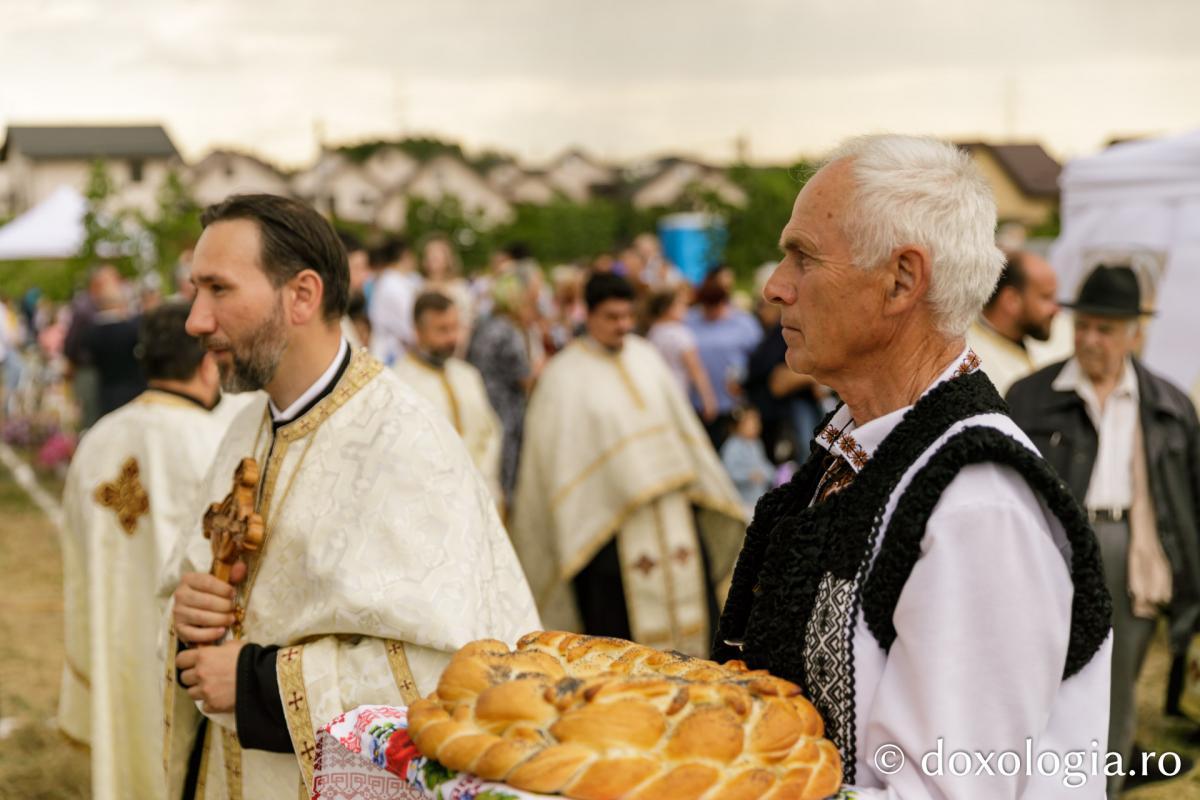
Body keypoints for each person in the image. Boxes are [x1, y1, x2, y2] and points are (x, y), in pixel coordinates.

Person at [711, 135, 1113, 797]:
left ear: (902, 280)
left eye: (803, 258)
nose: (777, 288)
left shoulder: (977, 506)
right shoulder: (861, 450)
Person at [165, 194, 539, 800]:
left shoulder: (403, 440)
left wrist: (260, 684)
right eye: (195, 291)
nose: (195, 321)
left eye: (219, 290)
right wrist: (188, 618)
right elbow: (207, 591)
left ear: (302, 295)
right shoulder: (246, 427)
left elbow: (457, 670)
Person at [1007, 263, 1200, 796]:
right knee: (1039, 681)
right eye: (1083, 325)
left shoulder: (1169, 405)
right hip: (1054, 548)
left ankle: (1103, 787)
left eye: (1105, 329)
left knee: (1116, 687)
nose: (1090, 339)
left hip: (1133, 552)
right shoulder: (1028, 396)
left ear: (1135, 333)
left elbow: (1188, 500)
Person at [510, 272, 745, 657]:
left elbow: (683, 432)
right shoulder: (562, 375)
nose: (623, 325)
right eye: (611, 317)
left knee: (699, 623)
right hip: (606, 528)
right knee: (617, 642)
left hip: (673, 516)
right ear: (588, 314)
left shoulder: (646, 356)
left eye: (627, 315)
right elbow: (553, 464)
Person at [58, 302, 226, 799]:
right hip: (189, 668)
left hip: (112, 640)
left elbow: (75, 553)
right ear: (207, 362)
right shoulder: (217, 444)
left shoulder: (97, 439)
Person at [393, 291, 504, 507]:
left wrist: (482, 475)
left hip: (481, 492)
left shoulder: (468, 375)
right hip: (433, 503)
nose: (453, 338)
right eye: (442, 330)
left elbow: (491, 432)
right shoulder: (399, 384)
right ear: (418, 332)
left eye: (455, 328)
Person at [466, 267, 540, 505]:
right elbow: (525, 378)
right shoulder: (507, 332)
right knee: (504, 476)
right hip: (503, 410)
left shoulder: (486, 324)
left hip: (482, 403)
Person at [686, 266, 762, 448]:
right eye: (707, 306)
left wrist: (745, 380)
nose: (712, 311)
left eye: (716, 305)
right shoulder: (689, 320)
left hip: (734, 403)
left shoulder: (743, 322)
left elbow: (758, 358)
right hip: (698, 403)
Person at [966, 250, 1061, 395]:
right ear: (1011, 300)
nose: (1056, 310)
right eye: (1046, 297)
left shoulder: (1052, 333)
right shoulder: (970, 362)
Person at [645, 286, 719, 422]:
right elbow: (696, 369)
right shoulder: (681, 334)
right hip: (678, 394)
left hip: (655, 393)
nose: (686, 309)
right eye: (681, 304)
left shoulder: (653, 331)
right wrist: (708, 399)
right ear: (667, 308)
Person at [366, 236, 421, 365]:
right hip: (391, 352)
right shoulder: (392, 285)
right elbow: (408, 323)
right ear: (405, 256)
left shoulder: (395, 281)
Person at [720, 406, 774, 513]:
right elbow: (727, 472)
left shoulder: (756, 444)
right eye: (751, 422)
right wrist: (748, 475)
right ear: (739, 425)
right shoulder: (732, 446)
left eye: (757, 422)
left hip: (757, 498)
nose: (756, 426)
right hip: (741, 501)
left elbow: (764, 465)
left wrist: (771, 473)